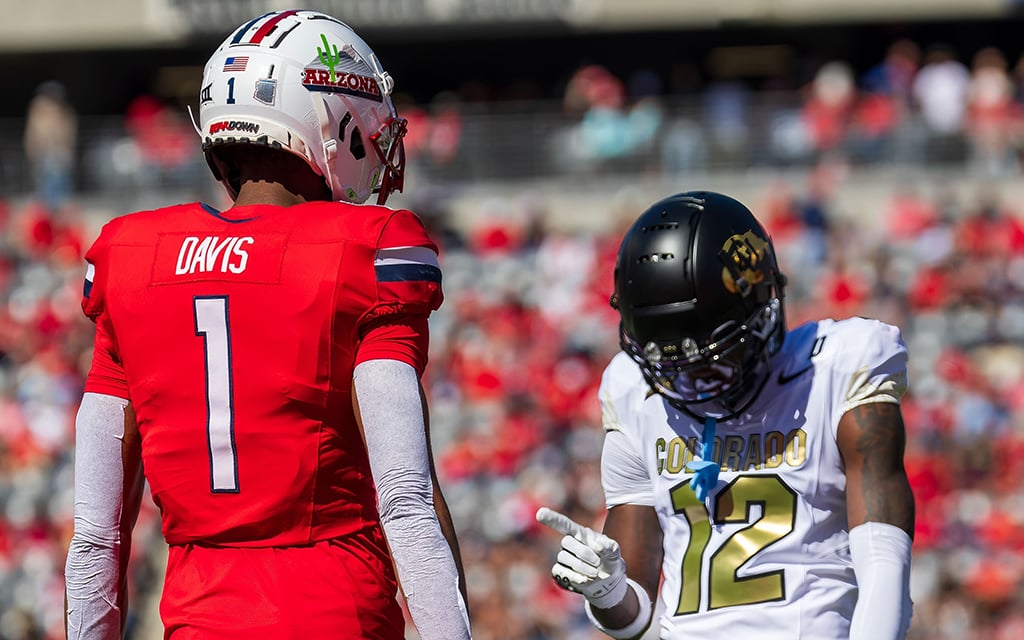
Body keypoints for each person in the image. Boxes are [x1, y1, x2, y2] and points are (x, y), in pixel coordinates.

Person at [64, 10, 472, 640]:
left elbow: (95, 537)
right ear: (329, 120)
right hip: (337, 611)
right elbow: (407, 503)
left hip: (198, 618)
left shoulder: (127, 255)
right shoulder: (367, 247)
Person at [537, 190, 915, 639]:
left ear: (762, 307)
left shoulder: (835, 366)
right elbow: (635, 620)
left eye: (710, 359)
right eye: (669, 362)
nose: (690, 382)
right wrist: (607, 590)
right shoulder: (630, 390)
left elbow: (884, 565)